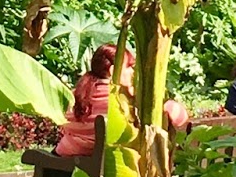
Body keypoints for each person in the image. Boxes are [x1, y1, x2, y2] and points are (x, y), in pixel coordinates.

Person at [54, 46, 190, 157]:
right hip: (106, 164)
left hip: (64, 159)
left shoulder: (75, 94)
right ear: (114, 70)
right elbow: (181, 119)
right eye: (129, 66)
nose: (133, 72)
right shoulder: (121, 100)